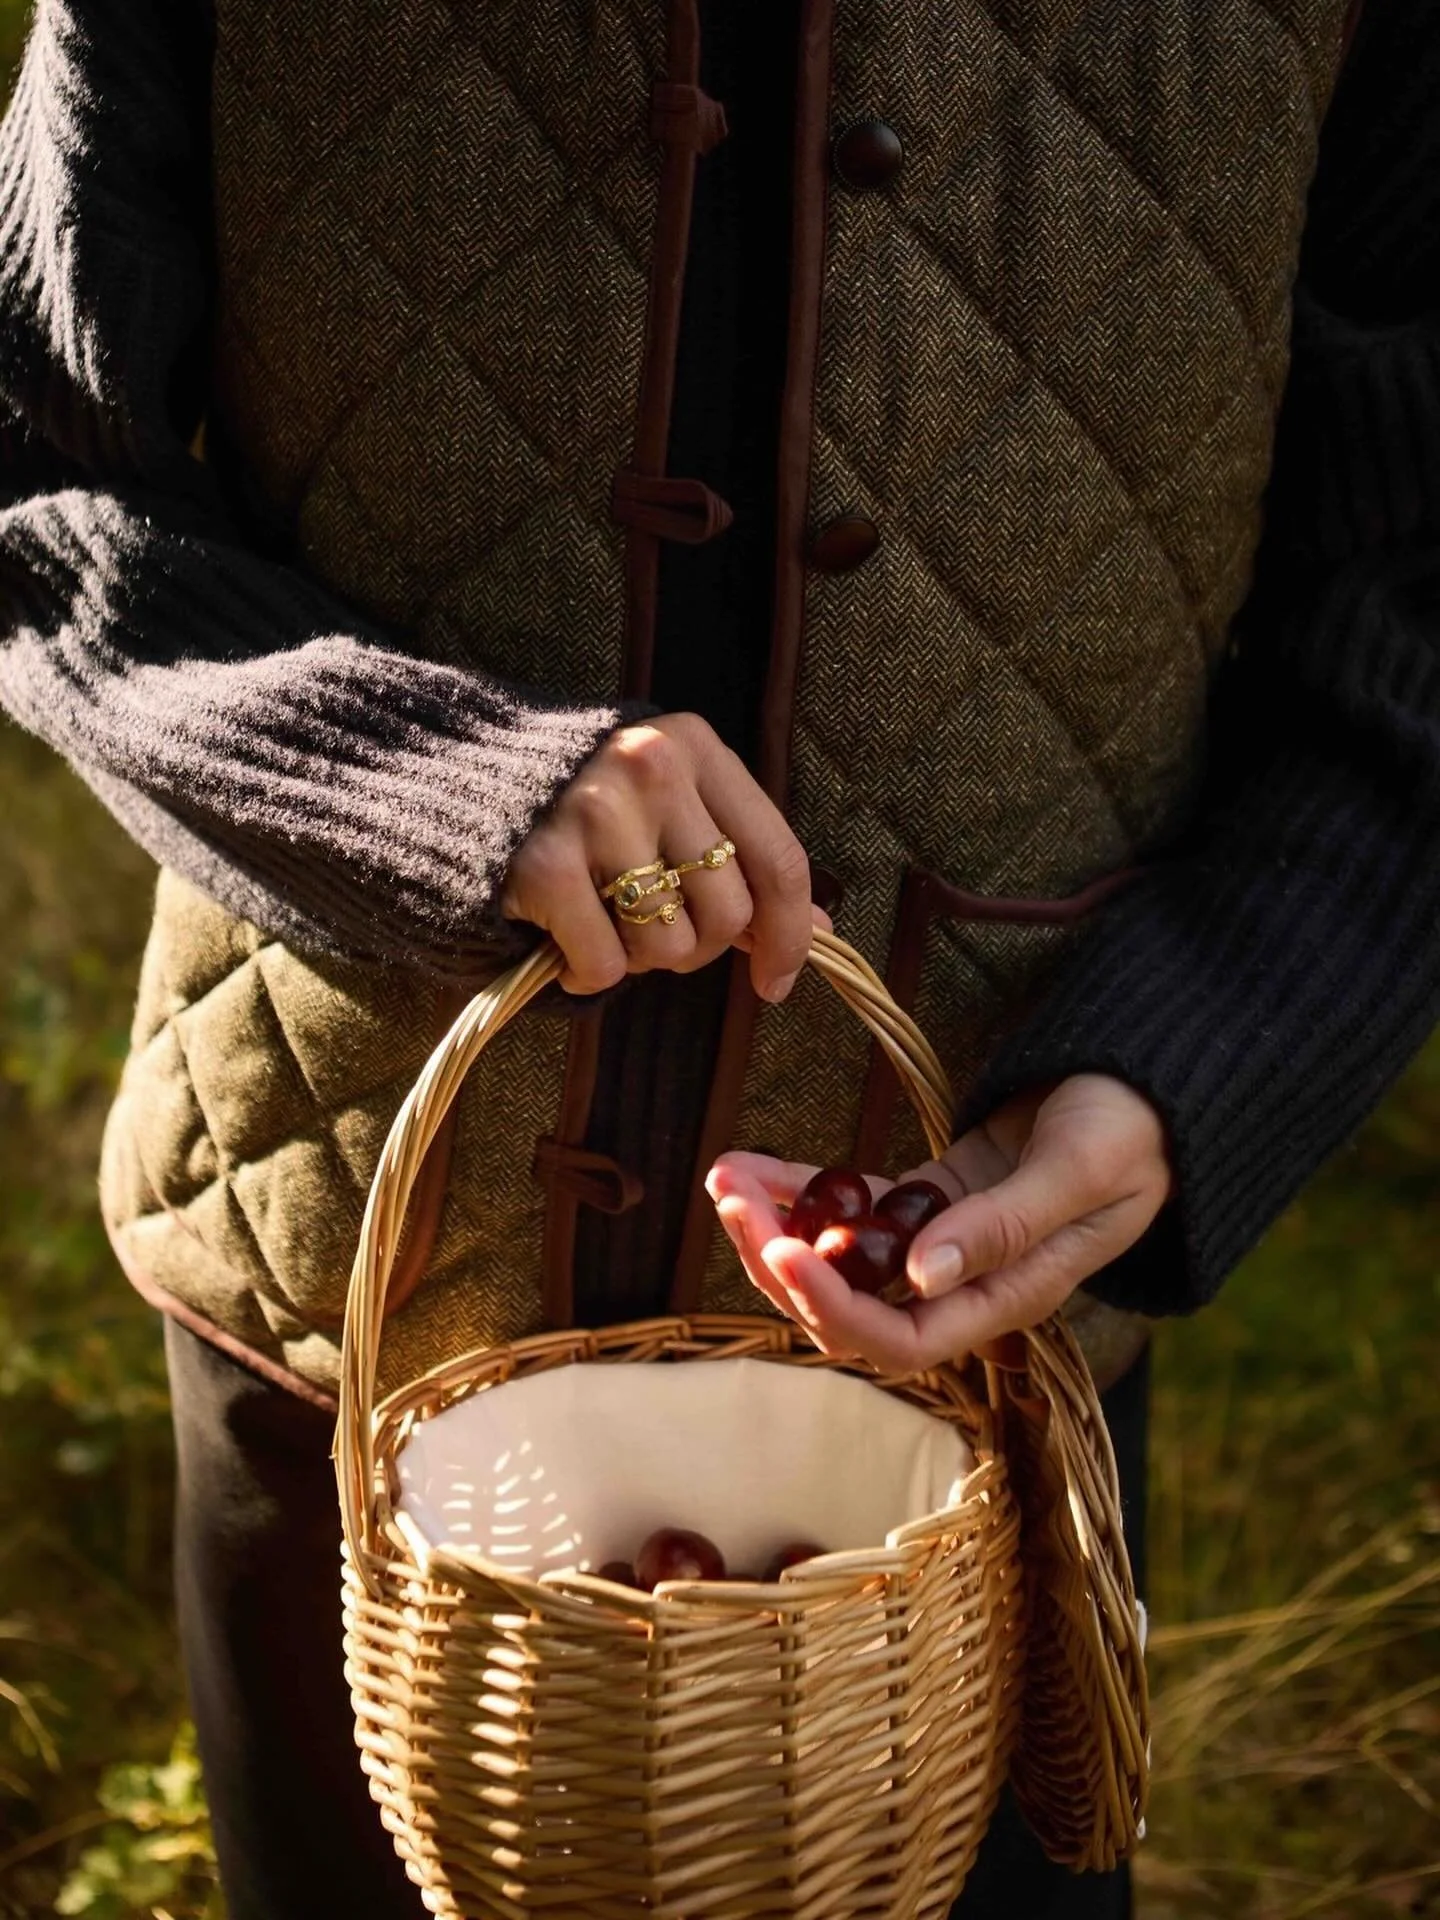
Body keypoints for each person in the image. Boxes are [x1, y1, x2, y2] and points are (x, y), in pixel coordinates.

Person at [1, 0, 1436, 1914]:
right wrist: (422, 777)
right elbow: (44, 471)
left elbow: (1414, 597)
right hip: (338, 1287)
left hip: (978, 1345)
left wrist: (1202, 1057)